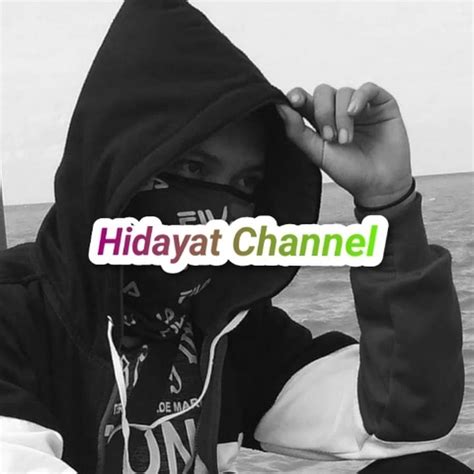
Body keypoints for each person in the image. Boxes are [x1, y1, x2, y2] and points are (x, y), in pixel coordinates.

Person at [0, 1, 464, 473]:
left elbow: (400, 420)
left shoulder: (226, 327)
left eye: (245, 184)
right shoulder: (15, 317)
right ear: (115, 163)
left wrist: (387, 203)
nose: (220, 214)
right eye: (192, 168)